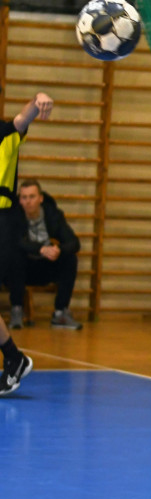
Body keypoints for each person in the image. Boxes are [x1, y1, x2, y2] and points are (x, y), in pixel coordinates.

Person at [0, 91, 52, 391]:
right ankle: (13, 358)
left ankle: (14, 358)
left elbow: (23, 118)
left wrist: (38, 100)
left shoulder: (5, 135)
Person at [6, 179, 83, 330]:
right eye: (24, 197)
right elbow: (14, 242)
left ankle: (60, 312)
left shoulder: (53, 215)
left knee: (70, 259)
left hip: (47, 267)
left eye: (32, 197)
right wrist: (40, 248)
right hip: (22, 270)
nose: (28, 202)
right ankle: (16, 309)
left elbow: (74, 243)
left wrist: (58, 249)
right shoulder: (13, 216)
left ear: (40, 198)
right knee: (13, 255)